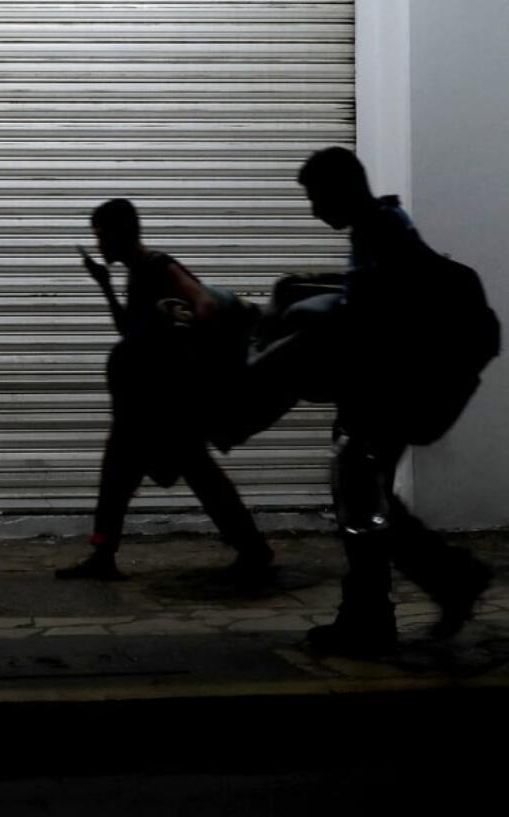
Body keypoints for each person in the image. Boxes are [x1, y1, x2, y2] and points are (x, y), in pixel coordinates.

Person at [291, 147, 494, 656]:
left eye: (317, 199)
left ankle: (391, 610)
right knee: (365, 502)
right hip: (385, 391)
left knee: (361, 503)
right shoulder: (379, 227)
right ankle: (426, 590)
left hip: (390, 393)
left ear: (341, 191)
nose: (315, 211)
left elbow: (385, 324)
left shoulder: (381, 233)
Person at [55, 199, 274, 586]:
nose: (99, 243)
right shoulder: (136, 273)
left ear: (121, 233)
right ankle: (104, 553)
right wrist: (105, 287)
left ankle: (254, 550)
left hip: (164, 405)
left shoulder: (157, 266)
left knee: (195, 474)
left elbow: (203, 304)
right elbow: (130, 331)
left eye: (102, 235)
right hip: (142, 405)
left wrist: (186, 353)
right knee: (122, 477)